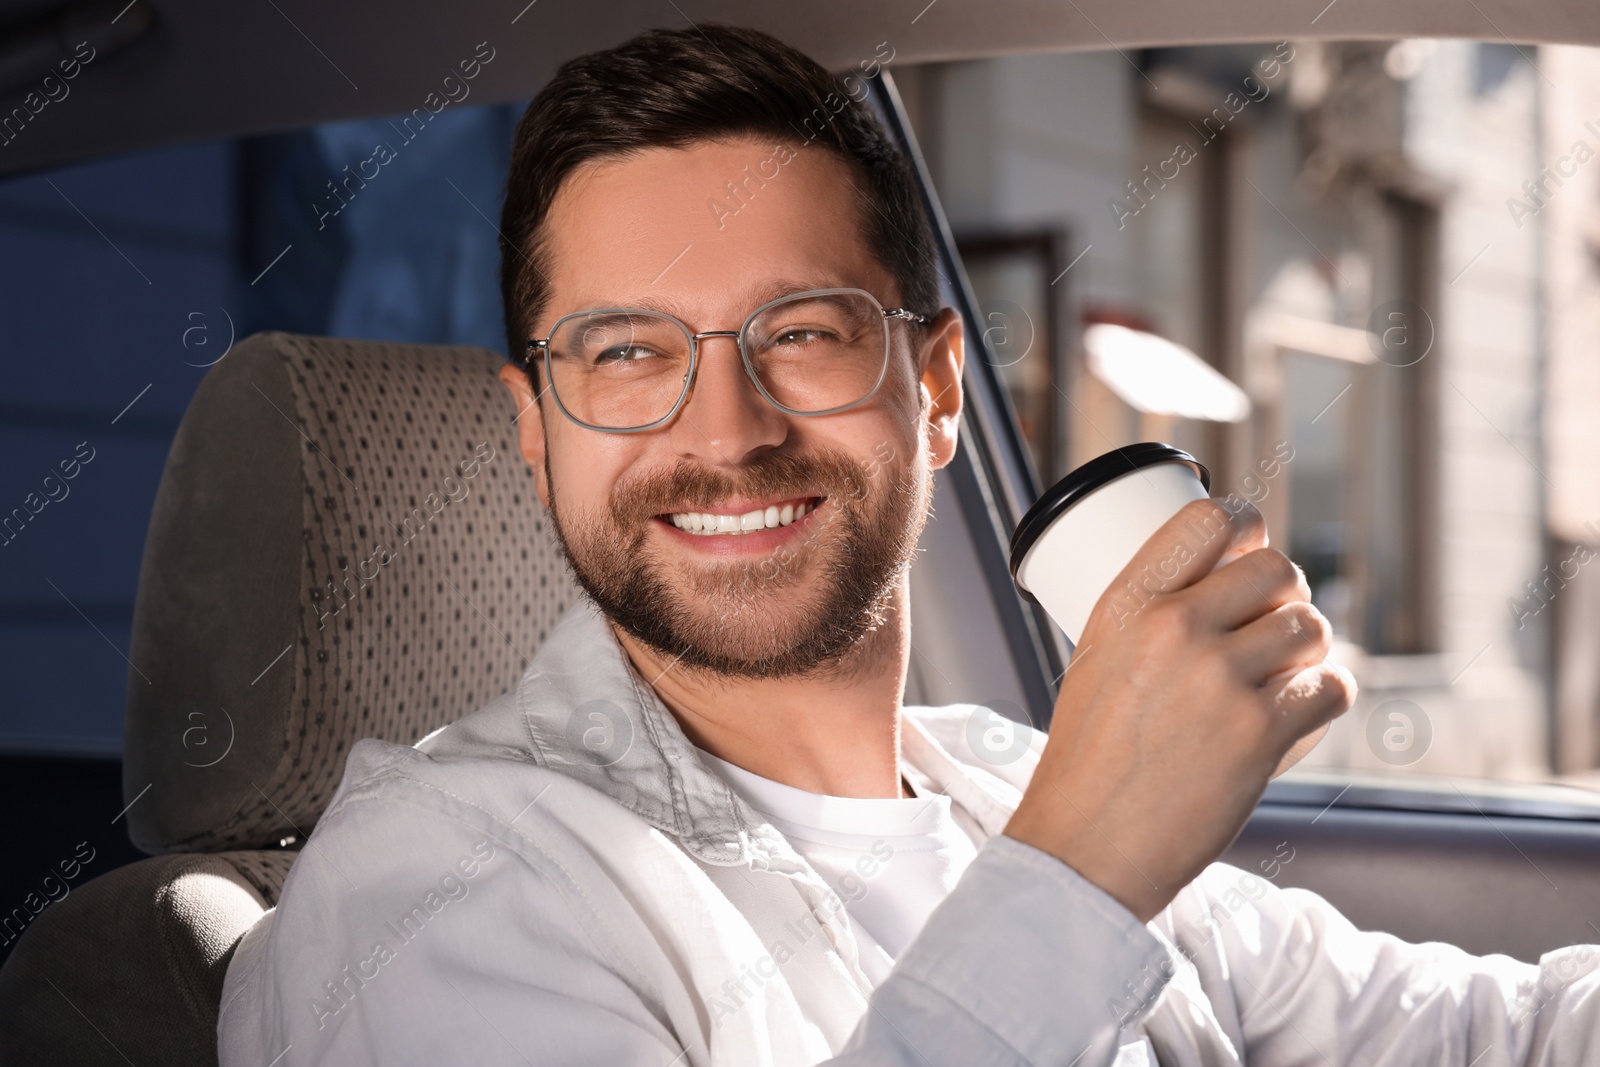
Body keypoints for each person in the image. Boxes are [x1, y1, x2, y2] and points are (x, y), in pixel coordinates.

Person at [218, 23, 1600, 1066]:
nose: (728, 428)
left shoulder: (1005, 787)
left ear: (937, 388)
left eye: (802, 331)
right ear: (536, 431)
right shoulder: (429, 886)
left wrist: (1070, 845)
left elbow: (1501, 1033)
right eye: (626, 350)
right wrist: (1079, 874)